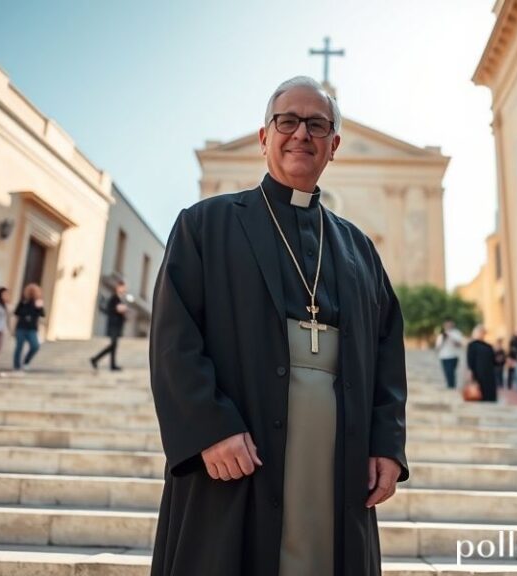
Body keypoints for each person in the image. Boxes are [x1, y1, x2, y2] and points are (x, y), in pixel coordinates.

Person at [149, 76, 408, 576]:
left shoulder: (359, 249)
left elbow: (387, 353)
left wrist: (386, 444)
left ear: (333, 146)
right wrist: (210, 427)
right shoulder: (205, 225)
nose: (301, 134)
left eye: (317, 125)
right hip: (239, 448)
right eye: (287, 121)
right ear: (264, 137)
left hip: (338, 454)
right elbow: (173, 340)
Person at [91, 280, 128, 371]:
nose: (124, 289)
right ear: (118, 288)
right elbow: (110, 309)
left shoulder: (120, 299)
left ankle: (111, 365)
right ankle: (96, 359)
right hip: (113, 325)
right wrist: (118, 309)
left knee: (113, 345)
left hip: (117, 325)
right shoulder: (114, 298)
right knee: (113, 345)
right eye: (123, 287)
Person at [13, 283, 45, 371]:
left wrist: (39, 306)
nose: (32, 293)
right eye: (30, 291)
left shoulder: (38, 302)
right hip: (21, 327)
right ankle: (16, 366)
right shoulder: (23, 302)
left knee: (35, 346)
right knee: (19, 346)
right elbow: (16, 313)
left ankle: (26, 361)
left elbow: (42, 314)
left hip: (32, 328)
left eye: (34, 291)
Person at [467, 324, 497, 402]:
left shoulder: (488, 346)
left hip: (489, 370)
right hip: (477, 370)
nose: (481, 334)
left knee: (489, 387)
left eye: (482, 332)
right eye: (479, 332)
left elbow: (494, 360)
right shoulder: (472, 345)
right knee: (479, 388)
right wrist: (470, 371)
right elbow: (470, 359)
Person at [435, 318, 464, 389]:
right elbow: (437, 347)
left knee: (451, 371)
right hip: (443, 356)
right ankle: (449, 385)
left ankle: (452, 385)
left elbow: (459, 344)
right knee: (447, 372)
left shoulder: (456, 333)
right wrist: (444, 339)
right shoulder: (441, 334)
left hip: (453, 355)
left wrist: (450, 337)